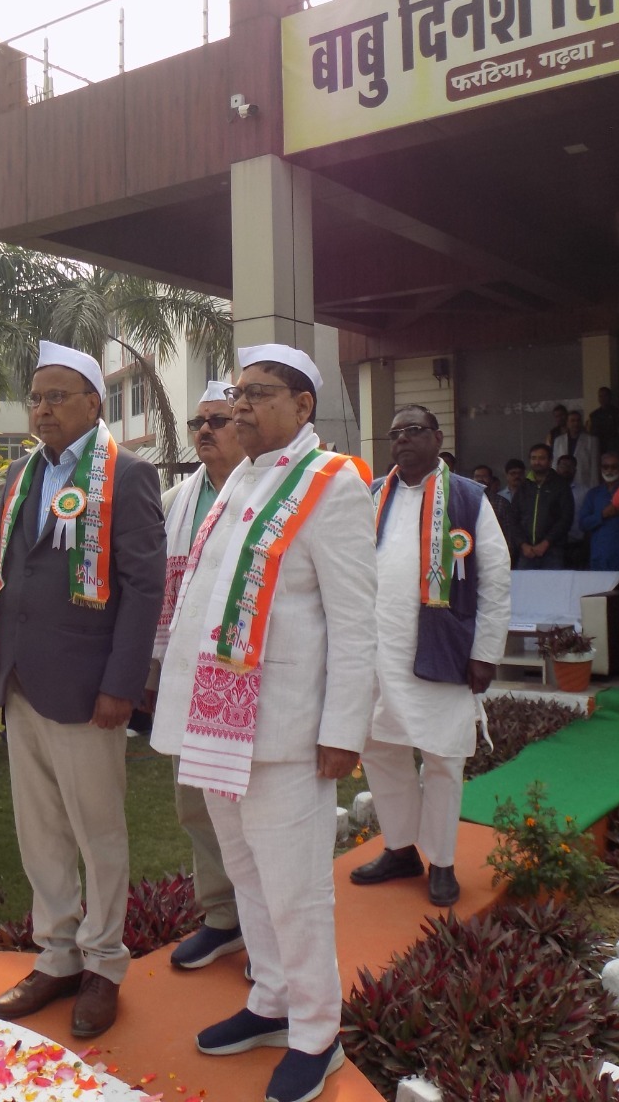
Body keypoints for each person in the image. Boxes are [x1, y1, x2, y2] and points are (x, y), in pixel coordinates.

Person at [150, 344, 375, 1102]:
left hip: (285, 730)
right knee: (247, 874)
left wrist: (343, 728)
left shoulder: (333, 483)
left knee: (295, 886)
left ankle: (316, 1030)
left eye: (259, 393)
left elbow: (355, 621)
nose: (240, 406)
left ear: (303, 406)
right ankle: (272, 998)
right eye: (237, 393)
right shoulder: (236, 481)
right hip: (215, 724)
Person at [0, 340, 164, 1041]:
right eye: (36, 398)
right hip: (22, 681)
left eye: (57, 396)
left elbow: (144, 589)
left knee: (98, 831)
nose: (43, 409)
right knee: (39, 831)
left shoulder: (129, 476)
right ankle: (55, 955)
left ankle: (104, 964)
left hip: (89, 690)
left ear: (93, 402)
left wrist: (122, 684)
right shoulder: (20, 475)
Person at [355, 405, 509, 909]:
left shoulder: (467, 498)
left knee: (443, 756)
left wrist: (485, 652)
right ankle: (401, 850)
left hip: (442, 649)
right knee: (380, 749)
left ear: (438, 438)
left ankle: (442, 861)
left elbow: (495, 579)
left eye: (414, 430)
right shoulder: (373, 495)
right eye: (394, 433)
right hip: (377, 650)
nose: (402, 439)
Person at [153, 382, 247, 973]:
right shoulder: (174, 501)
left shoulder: (268, 491)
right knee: (194, 802)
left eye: (218, 420)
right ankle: (222, 915)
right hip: (187, 672)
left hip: (244, 673)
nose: (205, 430)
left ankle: (265, 924)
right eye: (198, 422)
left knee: (250, 805)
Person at [513, 443, 572, 569]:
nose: (537, 462)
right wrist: (523, 544)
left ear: (550, 461)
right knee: (524, 582)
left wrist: (546, 542)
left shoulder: (560, 485)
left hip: (553, 551)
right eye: (533, 458)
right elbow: (514, 519)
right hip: (526, 552)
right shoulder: (523, 486)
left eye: (541, 458)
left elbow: (566, 519)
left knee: (553, 582)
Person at [580, 452, 619, 577]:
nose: (609, 470)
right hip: (599, 557)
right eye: (605, 467)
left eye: (614, 467)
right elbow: (583, 523)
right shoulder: (593, 494)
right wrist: (602, 515)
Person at [550, 410, 599, 491]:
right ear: (567, 423)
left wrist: (594, 488)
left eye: (578, 420)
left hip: (583, 483)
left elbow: (594, 467)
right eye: (572, 421)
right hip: (562, 483)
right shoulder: (559, 441)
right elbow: (555, 464)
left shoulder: (591, 441)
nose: (576, 423)